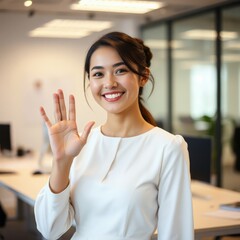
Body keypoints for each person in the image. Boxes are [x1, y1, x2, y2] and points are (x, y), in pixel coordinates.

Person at [34, 31, 194, 240]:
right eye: (98, 74)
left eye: (120, 70)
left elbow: (177, 235)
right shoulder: (81, 144)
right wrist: (61, 162)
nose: (109, 83)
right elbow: (50, 230)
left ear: (143, 76)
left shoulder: (168, 147)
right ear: (89, 81)